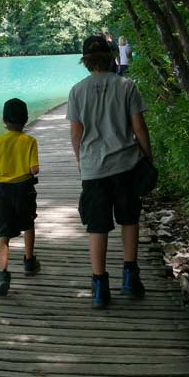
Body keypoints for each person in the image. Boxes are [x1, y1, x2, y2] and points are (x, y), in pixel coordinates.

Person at [67, 35, 153, 309]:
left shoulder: (77, 91)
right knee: (129, 219)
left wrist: (83, 163)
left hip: (94, 170)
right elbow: (139, 127)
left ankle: (100, 287)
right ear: (112, 56)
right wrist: (147, 156)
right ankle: (130, 278)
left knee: (97, 226)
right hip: (126, 165)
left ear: (86, 61)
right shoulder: (127, 85)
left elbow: (76, 134)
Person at [0, 98, 40, 296]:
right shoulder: (30, 141)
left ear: (3, 120)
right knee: (28, 223)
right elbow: (35, 169)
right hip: (24, 189)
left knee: (3, 233)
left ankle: (3, 273)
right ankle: (29, 262)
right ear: (26, 119)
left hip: (2, 191)